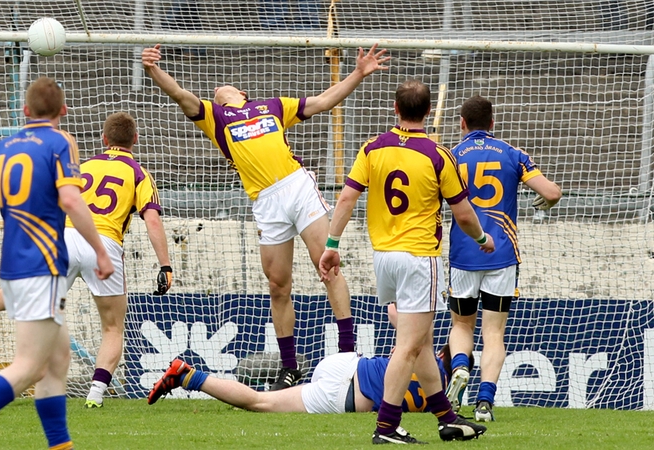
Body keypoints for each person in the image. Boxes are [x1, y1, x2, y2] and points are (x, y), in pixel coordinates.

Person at [141, 42, 389, 391]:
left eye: (223, 88)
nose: (217, 89)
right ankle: (290, 367)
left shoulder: (270, 107)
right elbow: (181, 95)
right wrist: (153, 71)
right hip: (266, 203)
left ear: (241, 93)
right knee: (277, 286)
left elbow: (322, 102)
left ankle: (347, 355)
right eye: (214, 91)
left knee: (328, 266)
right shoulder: (216, 117)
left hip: (296, 187)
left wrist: (358, 73)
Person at [0, 112, 173, 409]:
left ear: (103, 139)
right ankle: (94, 395)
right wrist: (165, 266)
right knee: (112, 327)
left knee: (17, 293)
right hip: (103, 245)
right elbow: (153, 220)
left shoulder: (82, 166)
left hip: (65, 237)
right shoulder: (139, 173)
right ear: (135, 139)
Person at [0, 77, 114, 450]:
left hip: (13, 270)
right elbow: (72, 200)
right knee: (29, 365)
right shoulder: (60, 142)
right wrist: (100, 250)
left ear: (25, 111)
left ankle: (60, 446)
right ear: (63, 111)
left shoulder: (2, 148)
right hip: (41, 267)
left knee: (56, 360)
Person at [318, 79, 494, 445]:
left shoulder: (372, 148)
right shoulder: (438, 155)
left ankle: (446, 418)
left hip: (383, 258)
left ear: (395, 109)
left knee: (422, 342)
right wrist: (482, 238)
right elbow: (463, 214)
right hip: (418, 260)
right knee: (408, 346)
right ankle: (386, 427)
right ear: (428, 112)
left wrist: (331, 244)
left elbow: (347, 200)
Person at [444, 95, 562, 422]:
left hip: (463, 253)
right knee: (494, 333)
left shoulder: (450, 157)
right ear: (492, 124)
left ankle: (459, 369)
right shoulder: (513, 154)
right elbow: (552, 192)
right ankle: (484, 403)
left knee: (461, 325)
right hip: (502, 255)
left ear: (462, 123)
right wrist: (546, 202)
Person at [147, 345, 474, 415]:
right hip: (346, 394)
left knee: (264, 400)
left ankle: (188, 374)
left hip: (346, 363)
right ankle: (188, 376)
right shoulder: (440, 398)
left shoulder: (421, 348)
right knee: (261, 403)